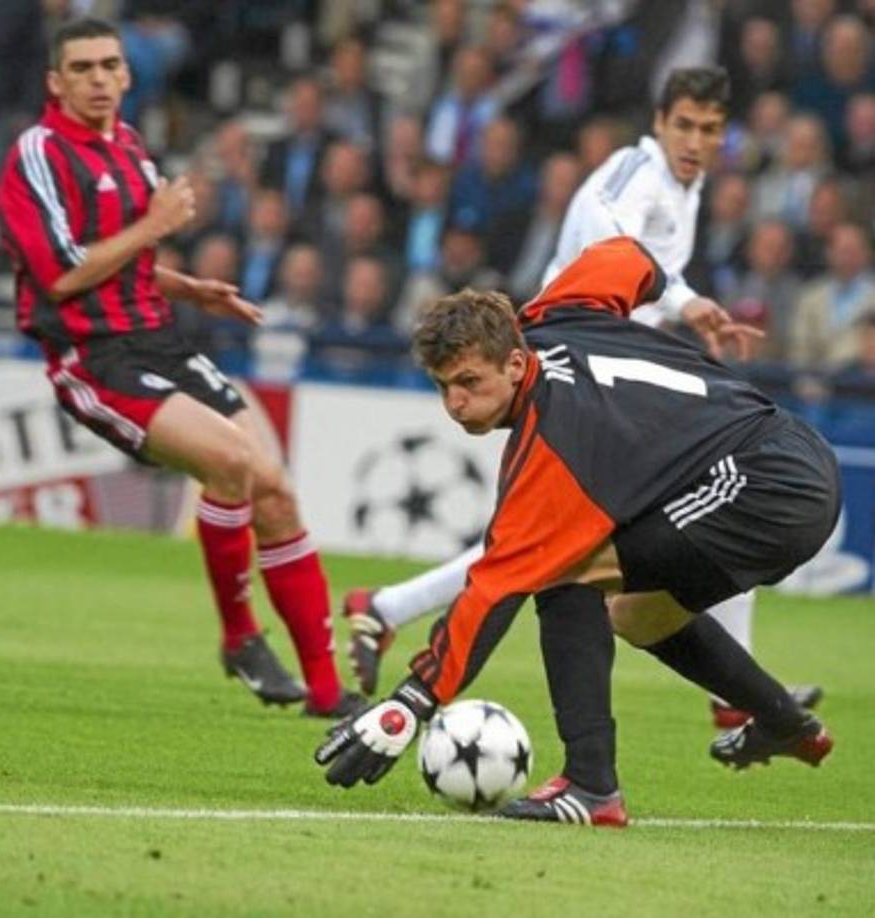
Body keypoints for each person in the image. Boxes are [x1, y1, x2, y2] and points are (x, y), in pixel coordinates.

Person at [343, 66, 821, 729]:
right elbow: (609, 237)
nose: (693, 141)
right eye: (682, 124)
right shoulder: (638, 171)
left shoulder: (688, 189)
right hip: (569, 381)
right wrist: (683, 301)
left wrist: (680, 310)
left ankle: (387, 606)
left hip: (613, 389)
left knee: (650, 509)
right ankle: (390, 610)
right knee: (544, 549)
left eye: (709, 130)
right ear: (658, 124)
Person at [315, 236, 837, 825]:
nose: (455, 405)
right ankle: (785, 722)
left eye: (468, 382)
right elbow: (627, 256)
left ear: (515, 364)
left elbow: (491, 590)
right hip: (786, 456)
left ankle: (592, 785)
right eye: (443, 388)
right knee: (638, 616)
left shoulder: (549, 450)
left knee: (565, 578)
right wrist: (683, 300)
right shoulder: (553, 311)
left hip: (766, 481)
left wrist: (410, 703)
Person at [0, 17, 360, 719]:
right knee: (231, 462)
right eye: (83, 68)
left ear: (128, 75)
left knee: (275, 485)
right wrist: (156, 227)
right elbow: (62, 274)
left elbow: (121, 256)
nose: (99, 79)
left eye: (110, 65)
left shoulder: (128, 146)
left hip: (160, 339)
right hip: (92, 357)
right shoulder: (37, 153)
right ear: (56, 81)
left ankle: (325, 691)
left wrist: (186, 286)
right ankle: (240, 637)